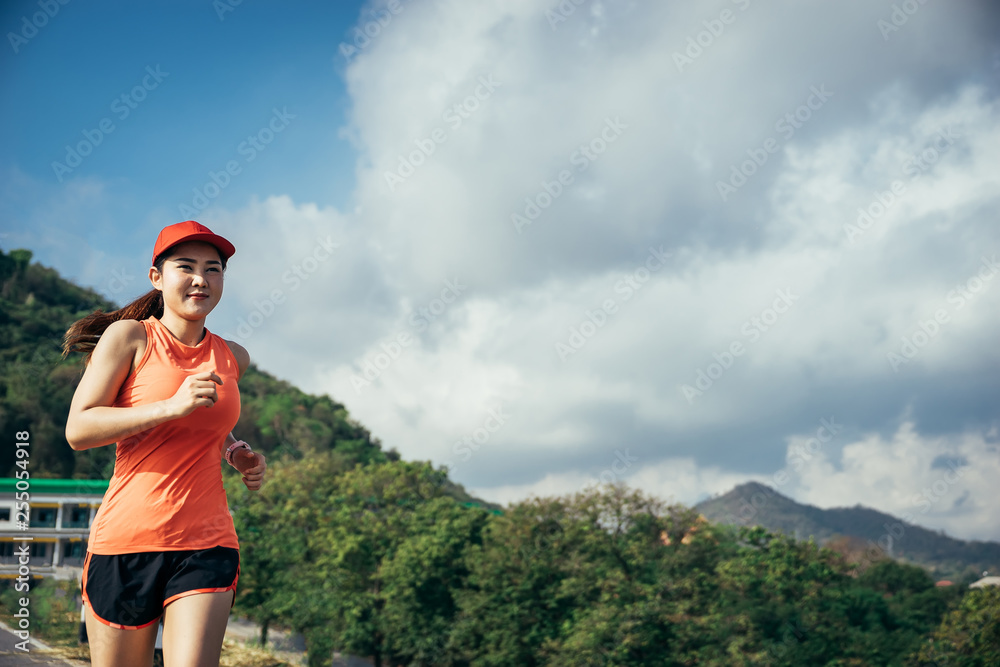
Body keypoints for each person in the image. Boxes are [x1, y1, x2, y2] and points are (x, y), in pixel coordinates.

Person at [63, 220, 267, 667]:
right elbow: (78, 429)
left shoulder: (233, 356)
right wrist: (169, 407)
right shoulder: (130, 338)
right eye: (186, 266)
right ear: (157, 277)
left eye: (213, 269)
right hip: (126, 542)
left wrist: (235, 452)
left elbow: (207, 428)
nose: (201, 279)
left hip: (206, 542)